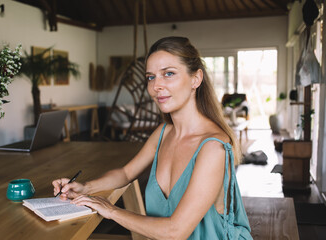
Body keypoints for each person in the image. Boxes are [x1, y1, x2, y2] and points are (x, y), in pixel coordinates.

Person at [52, 36, 252, 239]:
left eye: (169, 74)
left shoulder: (213, 147)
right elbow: (125, 173)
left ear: (196, 79)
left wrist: (111, 210)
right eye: (151, 77)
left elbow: (176, 231)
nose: (156, 86)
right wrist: (86, 187)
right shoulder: (164, 133)